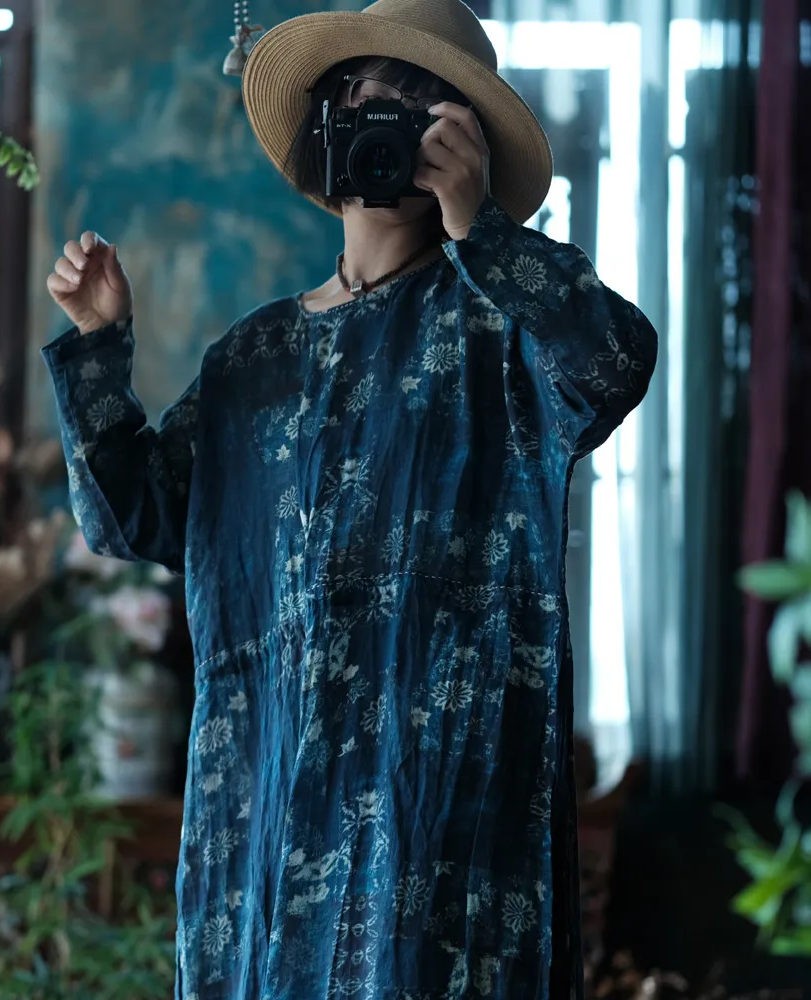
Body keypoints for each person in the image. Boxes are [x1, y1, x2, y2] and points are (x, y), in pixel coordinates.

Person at [42, 1, 658, 997]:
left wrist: (482, 231)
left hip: (441, 822)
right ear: (325, 125)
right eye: (364, 100)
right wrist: (98, 344)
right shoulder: (251, 359)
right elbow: (132, 518)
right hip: (270, 818)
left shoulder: (503, 331)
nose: (384, 126)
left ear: (460, 142)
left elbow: (615, 362)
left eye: (419, 110)